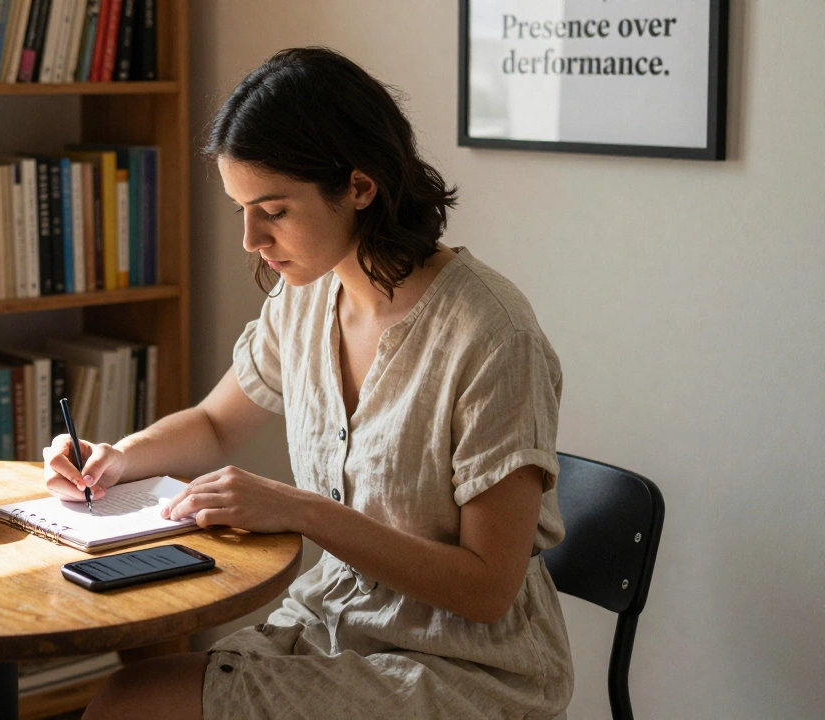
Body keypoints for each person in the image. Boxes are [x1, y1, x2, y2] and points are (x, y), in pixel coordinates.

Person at [43, 47, 573, 720]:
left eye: (273, 210)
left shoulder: (492, 335)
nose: (250, 238)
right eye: (241, 208)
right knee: (131, 694)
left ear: (358, 187)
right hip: (334, 624)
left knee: (133, 703)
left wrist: (300, 509)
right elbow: (214, 424)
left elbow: (487, 589)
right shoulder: (305, 298)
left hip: (465, 668)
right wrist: (120, 455)